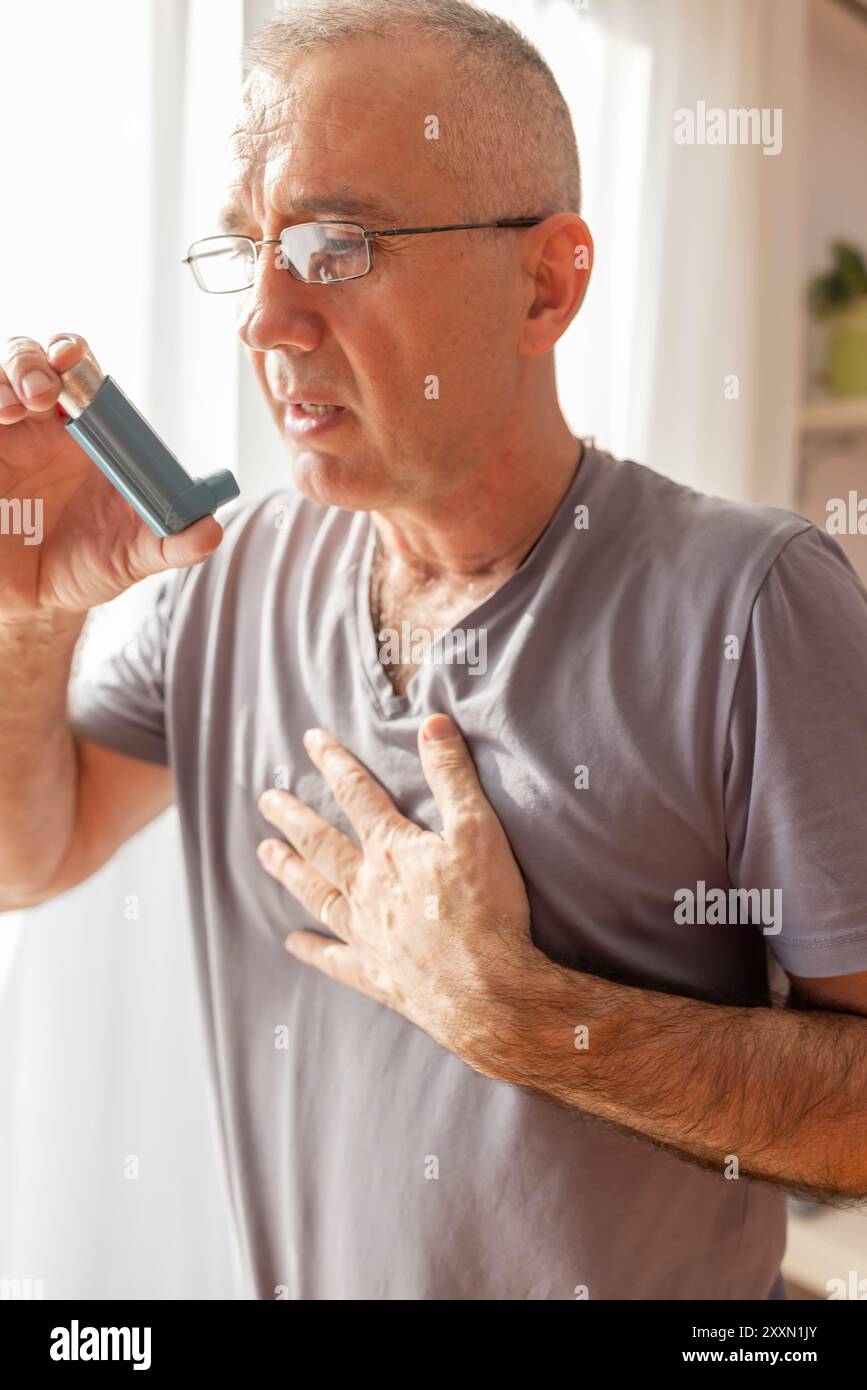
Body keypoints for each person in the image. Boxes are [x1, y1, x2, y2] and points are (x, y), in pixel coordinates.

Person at [1, 0, 865, 1301]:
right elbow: (30, 847)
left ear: (548, 282)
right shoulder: (223, 577)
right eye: (249, 253)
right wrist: (32, 605)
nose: (266, 322)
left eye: (336, 245)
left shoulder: (756, 606)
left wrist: (524, 1019)